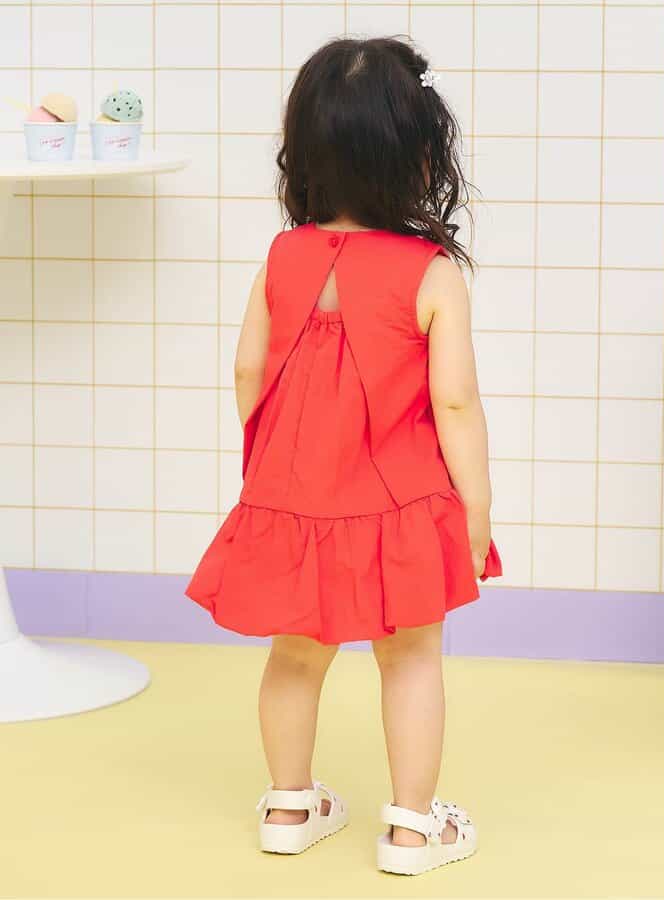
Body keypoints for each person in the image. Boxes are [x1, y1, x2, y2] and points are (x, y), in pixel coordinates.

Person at [185, 35, 502, 876]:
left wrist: (274, 466)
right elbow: (456, 403)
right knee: (412, 658)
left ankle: (289, 808)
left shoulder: (283, 256)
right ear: (419, 153)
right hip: (402, 505)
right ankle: (412, 830)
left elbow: (248, 369)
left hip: (294, 500)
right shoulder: (431, 274)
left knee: (295, 655)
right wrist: (475, 509)